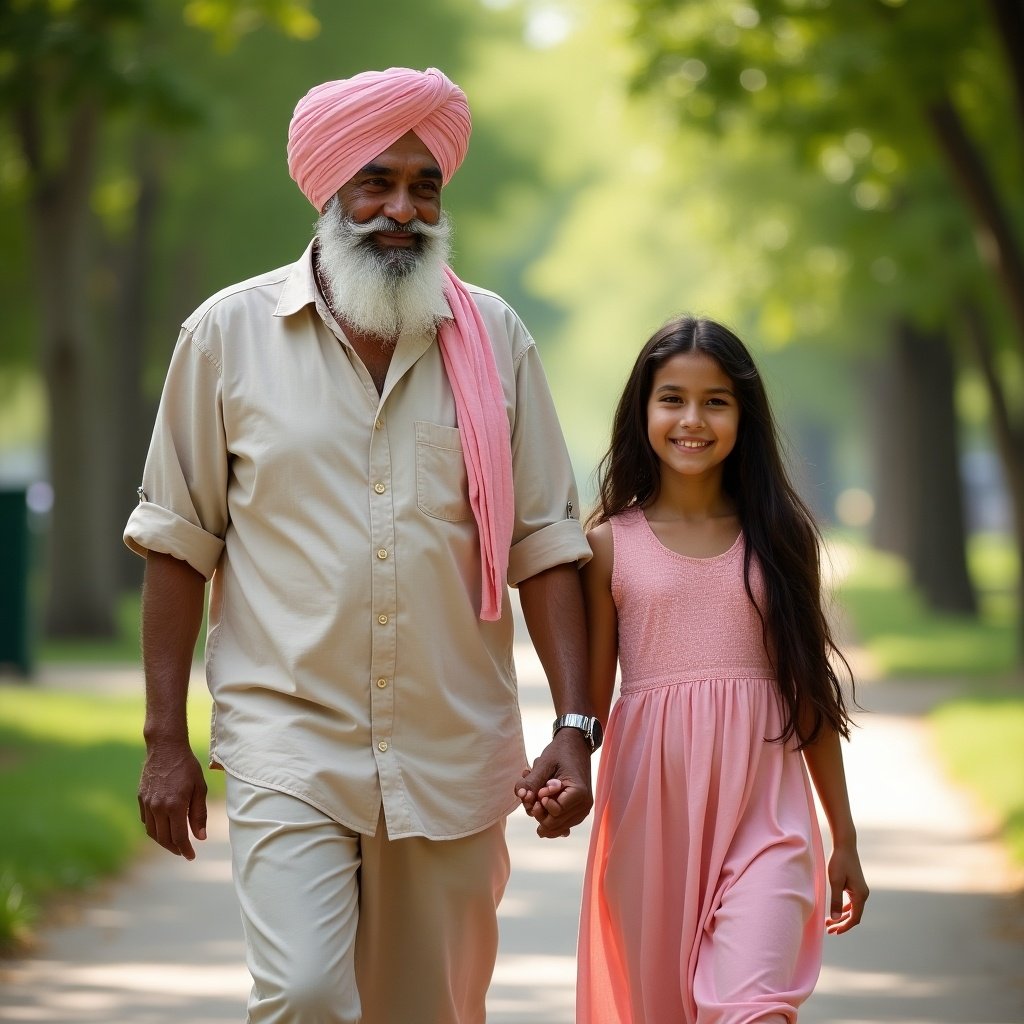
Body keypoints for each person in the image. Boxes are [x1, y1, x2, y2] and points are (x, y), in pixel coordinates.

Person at [124, 66, 600, 1024]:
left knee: (429, 1011)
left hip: (452, 748)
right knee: (303, 993)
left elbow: (545, 544)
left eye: (425, 186)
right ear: (330, 189)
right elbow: (180, 546)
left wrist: (574, 728)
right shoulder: (228, 335)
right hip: (288, 736)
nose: (402, 209)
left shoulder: (496, 338)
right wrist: (165, 740)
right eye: (376, 182)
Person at [563, 315, 869, 1023]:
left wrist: (844, 835)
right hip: (652, 820)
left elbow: (808, 691)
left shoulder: (780, 536)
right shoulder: (611, 547)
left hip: (769, 819)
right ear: (643, 411)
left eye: (716, 401)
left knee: (752, 1007)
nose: (692, 419)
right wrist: (563, 762)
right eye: (672, 398)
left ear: (744, 415)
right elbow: (593, 703)